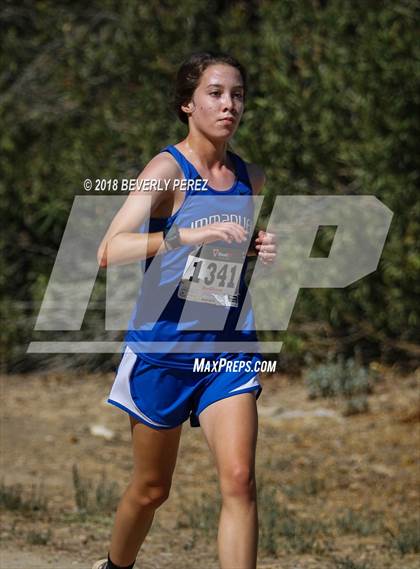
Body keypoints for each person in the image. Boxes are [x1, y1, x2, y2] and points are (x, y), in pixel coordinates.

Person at [92, 51, 276, 569]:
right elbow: (110, 250)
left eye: (237, 94)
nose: (229, 104)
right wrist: (185, 234)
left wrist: (259, 251)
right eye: (215, 93)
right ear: (187, 105)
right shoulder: (166, 170)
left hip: (228, 349)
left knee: (240, 481)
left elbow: (222, 265)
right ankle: (115, 566)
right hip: (163, 351)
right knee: (152, 490)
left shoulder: (250, 177)